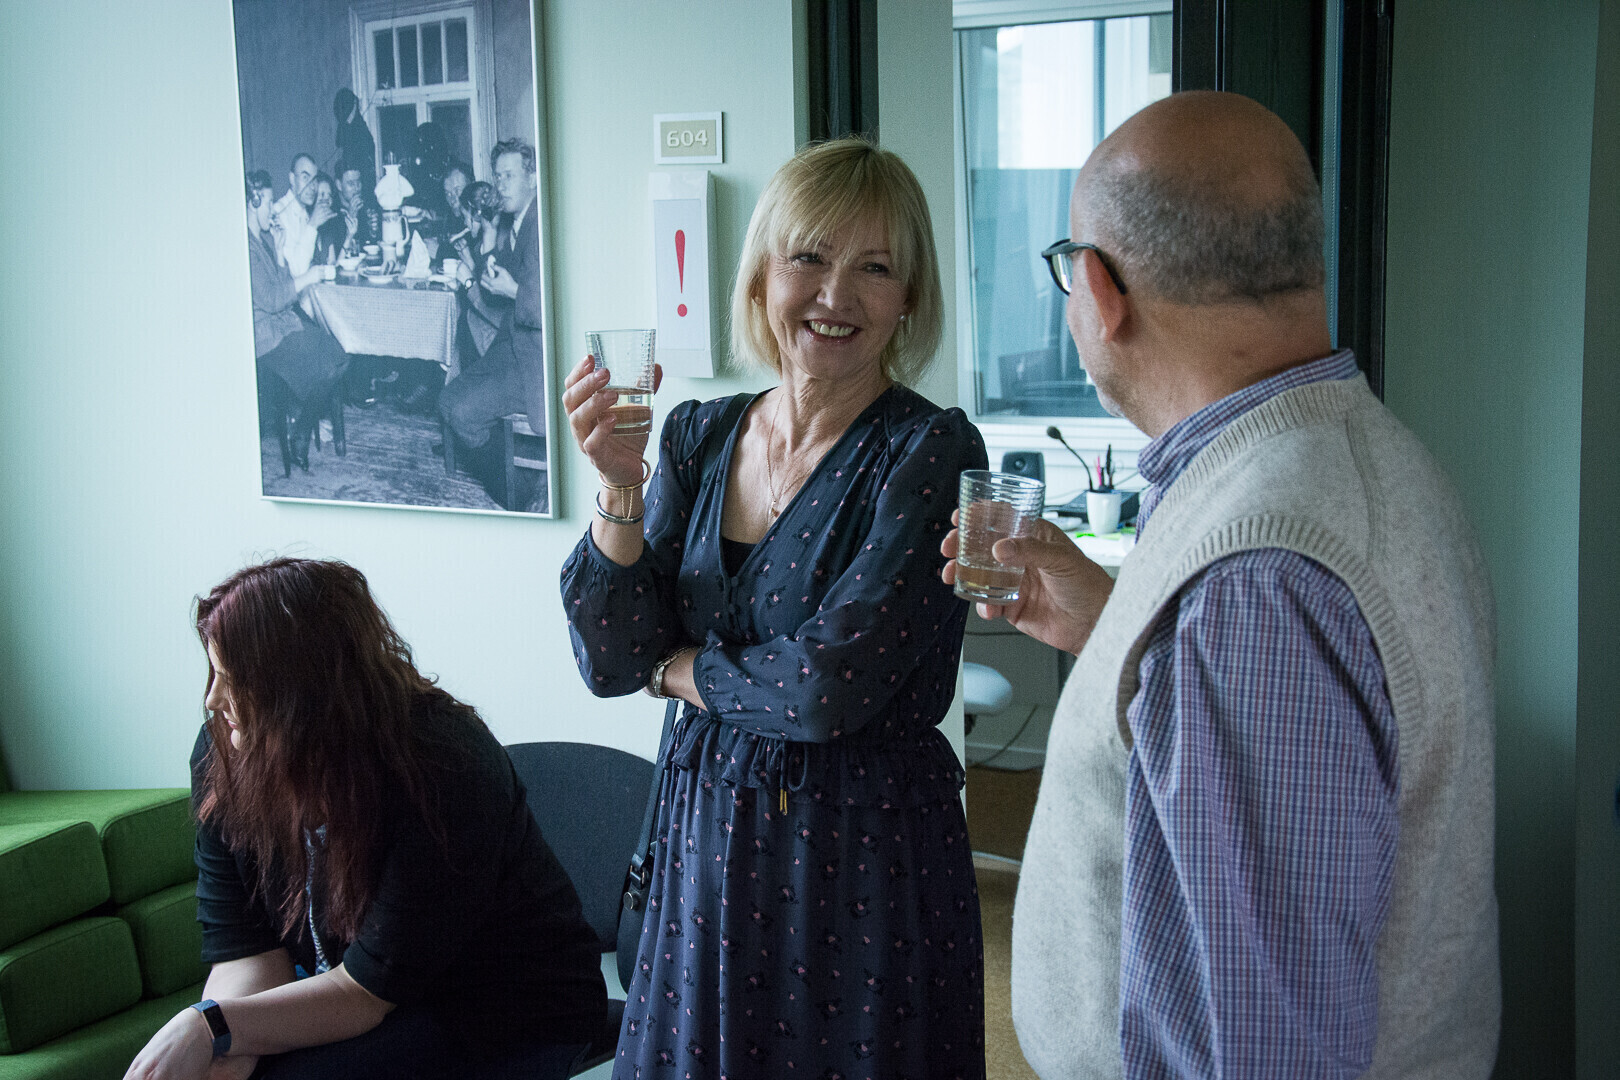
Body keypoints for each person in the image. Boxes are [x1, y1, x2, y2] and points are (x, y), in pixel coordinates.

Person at [942, 91, 1499, 1078]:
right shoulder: (1355, 460)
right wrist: (1118, 629)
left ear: (1100, 290)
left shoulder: (1254, 584)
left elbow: (1266, 1044)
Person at [560, 137, 989, 1080]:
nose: (837, 295)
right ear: (761, 276)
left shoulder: (929, 453)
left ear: (909, 297)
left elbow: (826, 689)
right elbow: (611, 655)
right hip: (705, 843)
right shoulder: (699, 433)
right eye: (809, 258)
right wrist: (620, 489)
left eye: (875, 267)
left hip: (860, 857)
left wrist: (681, 669)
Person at [124, 558, 608, 1080]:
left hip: (506, 1011)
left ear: (300, 686)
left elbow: (364, 994)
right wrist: (224, 1050)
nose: (213, 698)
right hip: (368, 999)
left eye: (232, 679)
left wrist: (210, 1028)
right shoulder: (226, 756)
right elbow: (249, 953)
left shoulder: (443, 767)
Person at [438, 139, 545, 491]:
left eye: (509, 176)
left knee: (461, 412)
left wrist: (512, 291)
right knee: (447, 400)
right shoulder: (518, 223)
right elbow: (496, 286)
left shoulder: (541, 226)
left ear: (532, 177)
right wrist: (487, 246)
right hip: (511, 345)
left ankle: (513, 491)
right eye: (498, 177)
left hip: (536, 360)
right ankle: (513, 473)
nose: (501, 185)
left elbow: (553, 308)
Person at [245, 170, 348, 470]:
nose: (271, 209)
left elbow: (281, 288)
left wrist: (278, 254)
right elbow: (272, 299)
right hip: (265, 338)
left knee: (341, 356)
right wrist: (309, 276)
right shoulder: (245, 246)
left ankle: (301, 426)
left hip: (283, 326)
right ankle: (301, 434)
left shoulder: (262, 240)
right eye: (267, 202)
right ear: (253, 202)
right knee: (326, 367)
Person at [272, 152, 321, 277]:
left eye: (315, 180)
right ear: (292, 179)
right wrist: (313, 225)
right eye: (305, 178)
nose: (312, 187)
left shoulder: (305, 212)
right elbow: (297, 272)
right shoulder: (279, 212)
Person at [333, 88, 376, 193]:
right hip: (353, 171)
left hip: (364, 174)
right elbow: (339, 141)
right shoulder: (346, 126)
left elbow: (370, 146)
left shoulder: (358, 124)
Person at [337, 162, 381, 254]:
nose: (357, 188)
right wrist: (351, 217)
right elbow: (337, 252)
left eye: (358, 182)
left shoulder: (366, 206)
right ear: (339, 185)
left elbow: (371, 246)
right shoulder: (333, 212)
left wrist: (373, 232)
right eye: (351, 183)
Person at [309, 172, 344, 266]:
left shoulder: (327, 229)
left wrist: (349, 236)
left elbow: (333, 266)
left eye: (329, 195)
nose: (327, 199)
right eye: (322, 194)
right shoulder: (304, 228)